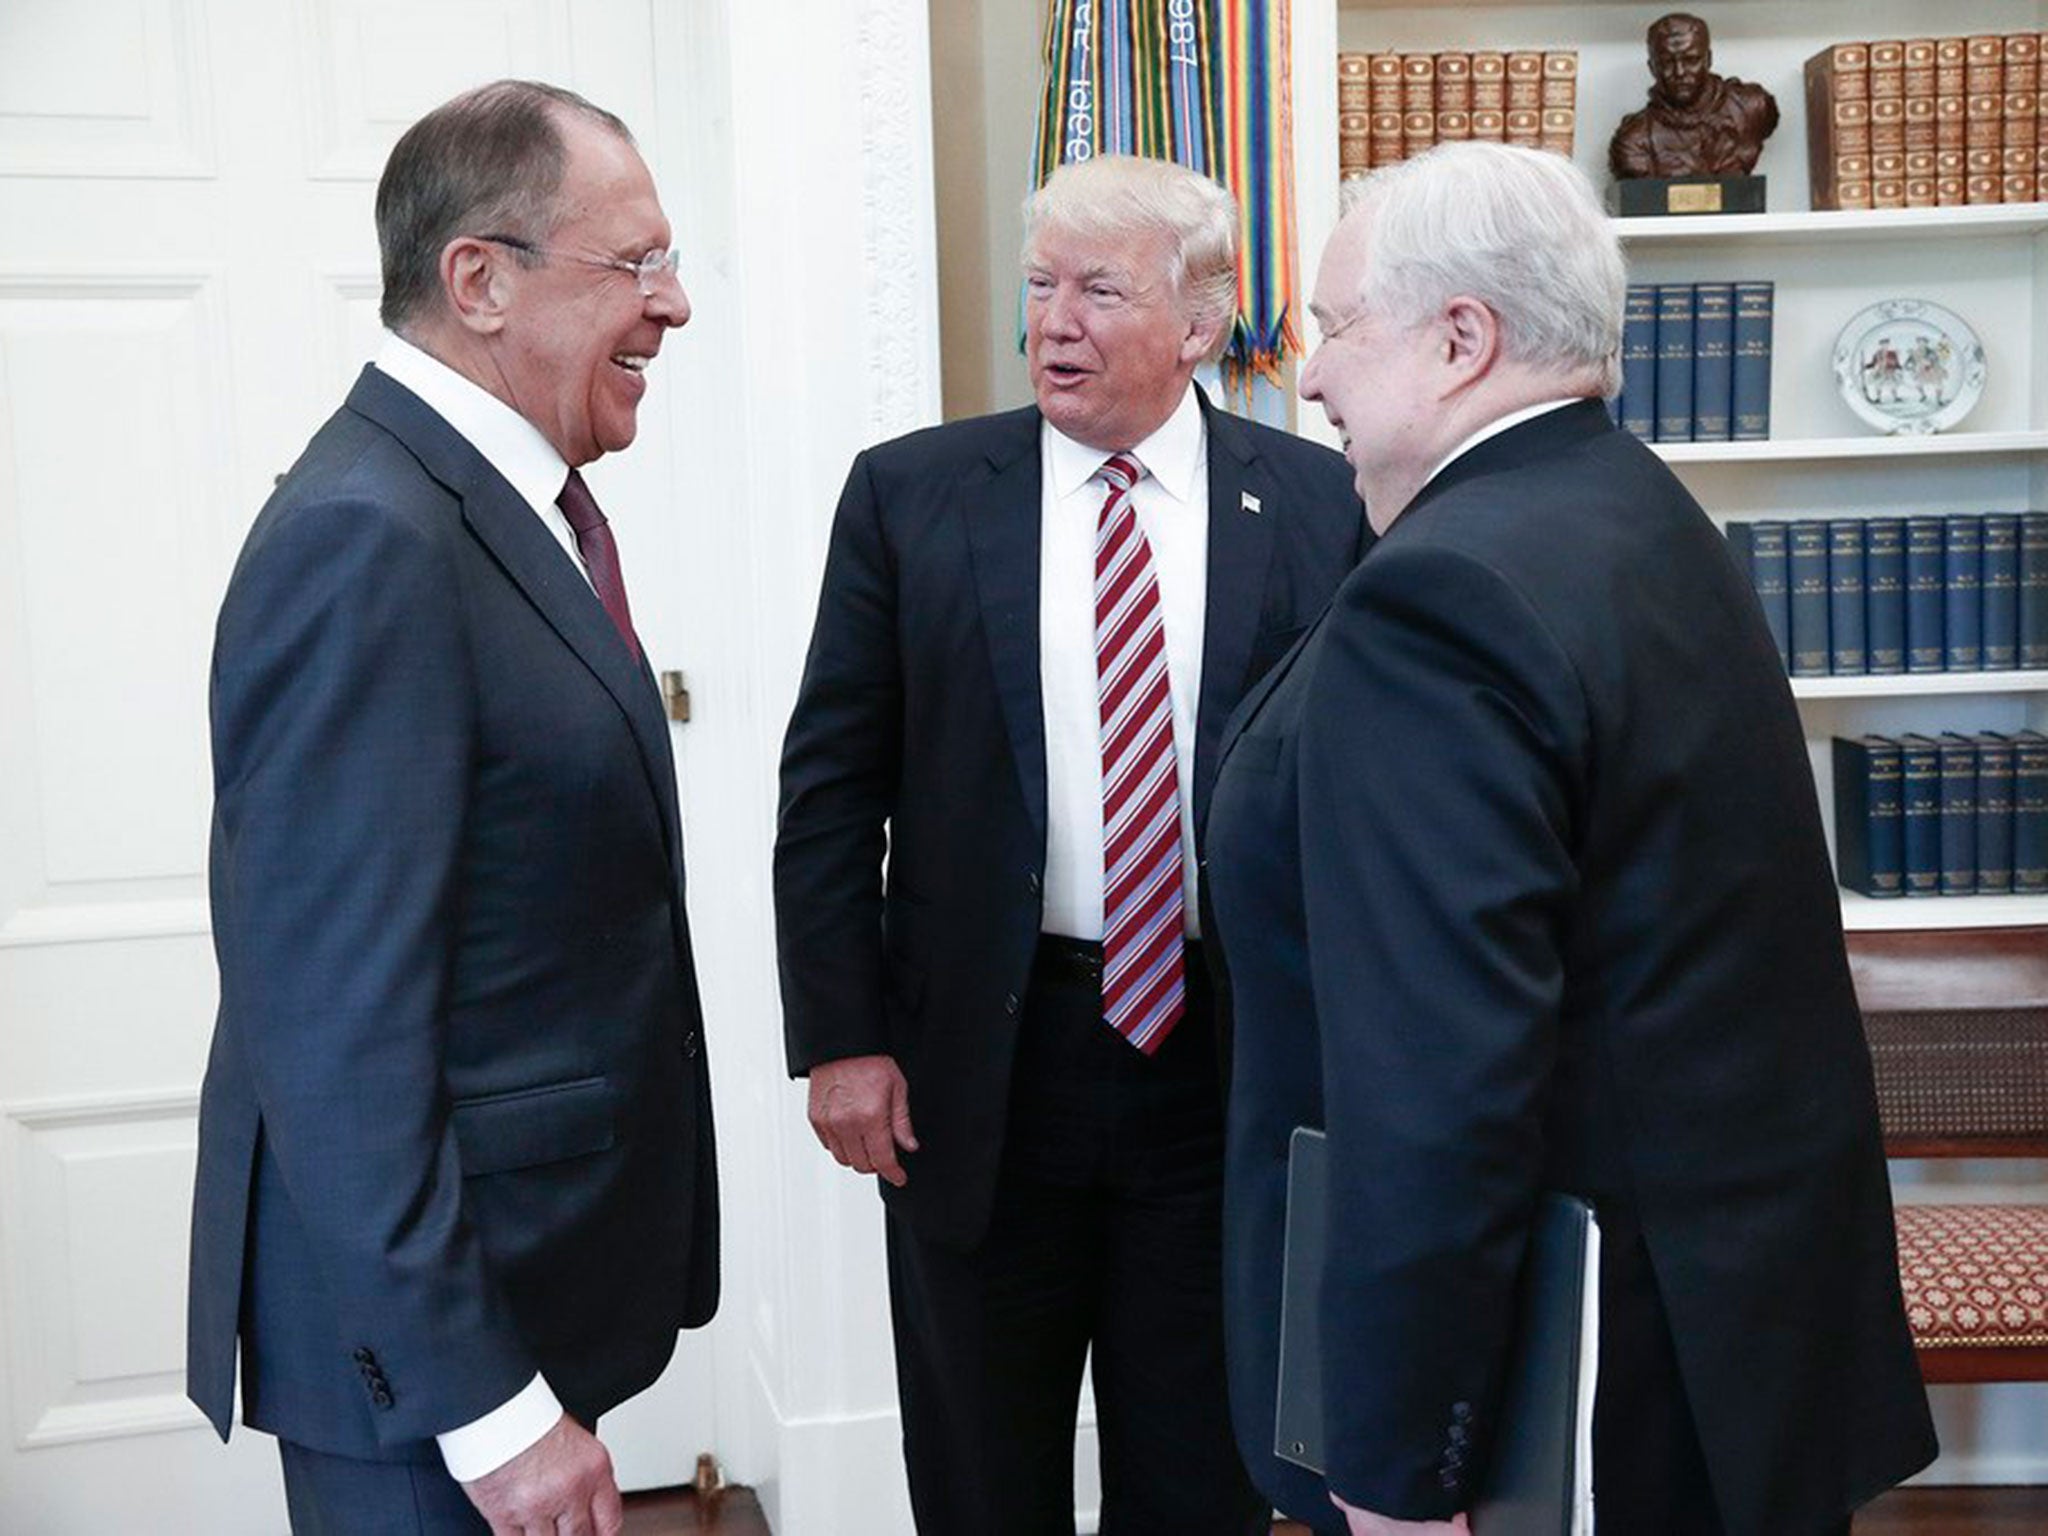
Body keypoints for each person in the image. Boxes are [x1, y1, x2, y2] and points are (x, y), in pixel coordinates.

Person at [1207, 141, 1936, 1536]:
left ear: (1461, 340)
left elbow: (1439, 1075)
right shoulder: (1636, 513)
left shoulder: (1446, 596)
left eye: (1339, 329)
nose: (1311, 378)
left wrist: (1403, 1469)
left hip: (1584, 1388)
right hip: (1722, 1338)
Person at [773, 154, 1367, 1535]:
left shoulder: (1322, 506)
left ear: (1204, 321)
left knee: (1203, 1476)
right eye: (1039, 285)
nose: (1054, 322)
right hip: (981, 1066)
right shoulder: (910, 496)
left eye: (1100, 290)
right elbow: (827, 787)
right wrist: (841, 1037)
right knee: (985, 1475)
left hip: (1226, 1065)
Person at [187, 80, 718, 1535]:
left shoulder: (486, 511)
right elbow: (332, 1030)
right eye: (638, 263)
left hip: (523, 1301)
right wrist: (486, 1404)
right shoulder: (370, 539)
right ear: (478, 280)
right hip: (435, 1379)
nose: (672, 306)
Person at [1609, 12, 1779, 180]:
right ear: (1652, 67)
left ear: (1708, 59)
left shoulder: (1752, 107)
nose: (1680, 72)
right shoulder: (1634, 141)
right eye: (1667, 63)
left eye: (1691, 60)